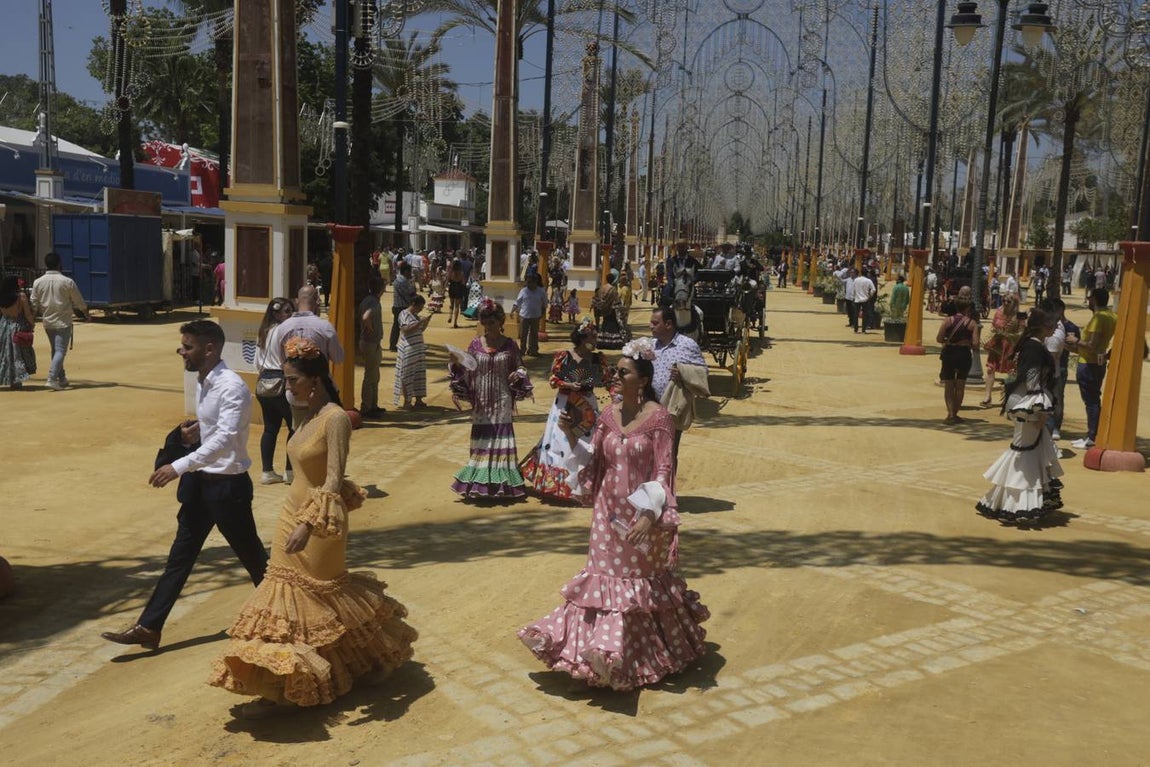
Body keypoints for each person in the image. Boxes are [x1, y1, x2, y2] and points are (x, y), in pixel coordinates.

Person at [209, 337, 417, 718]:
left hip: (320, 522)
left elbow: (333, 480)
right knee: (281, 591)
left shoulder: (335, 419)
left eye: (293, 380)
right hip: (292, 512)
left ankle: (326, 674)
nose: (287, 387)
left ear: (315, 381)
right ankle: (287, 683)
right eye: (287, 380)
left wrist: (308, 524)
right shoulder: (307, 414)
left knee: (316, 598)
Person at [517, 339, 709, 690]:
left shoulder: (660, 419)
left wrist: (650, 515)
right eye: (616, 372)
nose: (615, 377)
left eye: (623, 372)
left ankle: (638, 657)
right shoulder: (607, 415)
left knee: (637, 586)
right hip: (607, 517)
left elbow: (664, 470)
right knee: (602, 581)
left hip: (641, 519)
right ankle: (596, 656)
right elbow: (594, 460)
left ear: (643, 379)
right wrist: (570, 434)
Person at [101, 320, 268, 651]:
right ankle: (149, 628)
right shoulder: (203, 381)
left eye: (188, 346)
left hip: (227, 489)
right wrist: (189, 437)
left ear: (210, 349)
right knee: (179, 558)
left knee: (254, 560)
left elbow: (225, 439)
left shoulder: (232, 387)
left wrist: (177, 466)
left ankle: (289, 615)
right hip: (200, 488)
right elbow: (212, 432)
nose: (182, 351)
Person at [975, 309, 1064, 524]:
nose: (1054, 329)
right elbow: (1032, 379)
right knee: (1024, 451)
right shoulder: (1033, 346)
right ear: (1042, 326)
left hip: (1027, 402)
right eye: (1051, 325)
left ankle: (1026, 502)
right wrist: (1039, 409)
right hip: (1028, 404)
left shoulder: (1031, 344)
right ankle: (1017, 505)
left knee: (1034, 449)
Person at [448, 299, 533, 499]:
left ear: (500, 321)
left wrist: (518, 374)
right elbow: (468, 368)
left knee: (501, 438)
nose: (488, 326)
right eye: (485, 322)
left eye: (492, 322)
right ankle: (482, 483)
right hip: (482, 401)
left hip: (502, 399)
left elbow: (521, 366)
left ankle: (503, 484)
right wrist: (456, 363)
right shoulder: (475, 344)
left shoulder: (510, 345)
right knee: (483, 440)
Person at [520, 319, 608, 502]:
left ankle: (581, 484)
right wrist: (568, 384)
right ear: (582, 339)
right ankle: (561, 486)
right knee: (559, 441)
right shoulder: (564, 356)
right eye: (592, 336)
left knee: (586, 440)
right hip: (565, 403)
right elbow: (553, 380)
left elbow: (606, 380)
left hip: (587, 404)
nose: (595, 339)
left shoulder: (598, 359)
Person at [649, 307, 707, 468]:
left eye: (655, 323)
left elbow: (703, 372)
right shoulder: (649, 345)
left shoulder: (687, 345)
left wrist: (684, 373)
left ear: (668, 324)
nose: (650, 326)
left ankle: (667, 483)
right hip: (648, 408)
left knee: (668, 453)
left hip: (672, 408)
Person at [30, 252, 88, 390]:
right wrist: (86, 314)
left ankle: (62, 378)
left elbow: (33, 303)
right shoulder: (67, 281)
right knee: (60, 351)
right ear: (59, 264)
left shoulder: (38, 282)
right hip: (63, 321)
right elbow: (79, 301)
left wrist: (31, 319)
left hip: (47, 321)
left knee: (56, 350)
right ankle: (51, 378)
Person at [254, 297, 297, 484]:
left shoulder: (263, 331)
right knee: (294, 426)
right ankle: (290, 471)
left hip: (264, 383)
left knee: (270, 429)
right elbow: (288, 358)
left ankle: (267, 471)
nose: (290, 314)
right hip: (281, 382)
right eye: (287, 311)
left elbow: (256, 362)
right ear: (277, 313)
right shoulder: (284, 331)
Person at [1070, 287, 1118, 449]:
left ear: (1095, 299)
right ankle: (1092, 434)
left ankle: (1092, 436)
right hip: (1099, 362)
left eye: (1090, 298)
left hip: (1088, 363)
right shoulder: (1112, 316)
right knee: (1094, 399)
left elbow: (1092, 345)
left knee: (1091, 401)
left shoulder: (1099, 317)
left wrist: (1075, 340)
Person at [937, 296, 981, 424]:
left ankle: (950, 414)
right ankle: (955, 414)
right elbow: (976, 344)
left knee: (949, 385)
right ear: (967, 308)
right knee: (960, 385)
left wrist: (948, 340)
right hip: (963, 354)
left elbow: (939, 339)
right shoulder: (972, 324)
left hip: (949, 353)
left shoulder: (947, 320)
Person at [1040, 297, 1077, 442]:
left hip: (1056, 368)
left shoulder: (1064, 328)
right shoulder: (1049, 326)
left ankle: (1054, 428)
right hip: (1052, 369)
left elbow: (1055, 352)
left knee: (1055, 400)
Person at [980, 292, 1022, 407]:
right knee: (990, 369)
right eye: (1004, 300)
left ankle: (1010, 398)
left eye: (1008, 301)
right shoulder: (998, 312)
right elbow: (993, 326)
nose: (1005, 303)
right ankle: (987, 397)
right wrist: (996, 332)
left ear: (1014, 303)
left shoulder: (1020, 315)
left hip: (1011, 346)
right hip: (997, 343)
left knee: (1011, 371)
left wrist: (1008, 335)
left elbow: (1022, 333)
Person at [395, 294, 431, 409]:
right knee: (407, 375)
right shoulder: (404, 314)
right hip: (408, 349)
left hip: (418, 349)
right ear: (414, 304)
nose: (421, 309)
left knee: (419, 374)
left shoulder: (415, 315)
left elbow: (420, 330)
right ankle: (407, 401)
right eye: (420, 307)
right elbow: (405, 330)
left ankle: (418, 400)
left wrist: (425, 322)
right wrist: (420, 322)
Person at [358, 274, 387, 419]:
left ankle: (373, 405)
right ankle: (367, 407)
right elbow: (366, 317)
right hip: (371, 342)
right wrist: (371, 329)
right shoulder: (374, 302)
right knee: (370, 376)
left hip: (370, 342)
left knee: (374, 375)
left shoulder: (368, 299)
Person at [0, 276, 36, 389]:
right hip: (17, 326)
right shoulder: (21, 296)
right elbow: (27, 314)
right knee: (17, 353)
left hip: (3, 325)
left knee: (4, 353)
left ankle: (6, 377)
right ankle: (16, 380)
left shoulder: (2, 297)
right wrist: (32, 324)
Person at [511, 273, 548, 356]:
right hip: (524, 316)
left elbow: (544, 304)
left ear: (535, 282)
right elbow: (517, 302)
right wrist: (512, 311)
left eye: (531, 282)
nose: (529, 284)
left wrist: (542, 314)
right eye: (527, 282)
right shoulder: (523, 291)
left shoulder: (541, 291)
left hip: (536, 316)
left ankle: (533, 350)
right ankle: (522, 350)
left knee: (534, 335)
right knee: (523, 334)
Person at [593, 272, 627, 349]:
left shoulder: (602, 288)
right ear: (613, 280)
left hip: (604, 310)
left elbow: (598, 298)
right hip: (611, 311)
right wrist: (620, 308)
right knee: (612, 325)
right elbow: (616, 300)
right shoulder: (613, 289)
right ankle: (612, 342)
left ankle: (603, 341)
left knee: (605, 324)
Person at [389, 262, 416, 351]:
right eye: (409, 271)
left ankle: (393, 345)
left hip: (397, 306)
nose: (410, 273)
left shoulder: (398, 280)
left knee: (396, 327)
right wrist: (412, 284)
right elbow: (410, 293)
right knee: (408, 326)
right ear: (406, 271)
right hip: (402, 307)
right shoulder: (404, 281)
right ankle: (408, 345)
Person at [447, 255, 466, 327]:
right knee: (457, 306)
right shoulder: (461, 273)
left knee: (451, 304)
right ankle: (455, 322)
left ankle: (450, 316)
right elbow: (463, 282)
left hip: (452, 287)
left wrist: (444, 288)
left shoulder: (451, 272)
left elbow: (447, 280)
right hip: (458, 287)